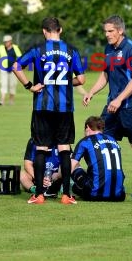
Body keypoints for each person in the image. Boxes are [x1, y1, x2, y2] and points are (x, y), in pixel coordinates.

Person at [13, 17, 86, 205]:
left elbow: (16, 66)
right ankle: (67, 195)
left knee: (41, 147)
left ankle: (39, 195)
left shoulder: (38, 50)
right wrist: (66, 82)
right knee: (64, 147)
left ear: (44, 31)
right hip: (65, 107)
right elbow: (82, 79)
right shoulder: (71, 50)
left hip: (42, 106)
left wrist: (30, 85)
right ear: (60, 30)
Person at [82, 15, 132, 196]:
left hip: (130, 105)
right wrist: (91, 92)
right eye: (105, 31)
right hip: (112, 106)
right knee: (100, 140)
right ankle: (100, 183)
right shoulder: (108, 49)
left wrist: (119, 99)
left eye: (110, 31)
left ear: (120, 30)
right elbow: (105, 75)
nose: (107, 34)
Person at [71, 116, 126, 202]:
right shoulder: (113, 140)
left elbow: (71, 165)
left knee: (76, 169)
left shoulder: (85, 141)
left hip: (93, 194)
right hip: (119, 196)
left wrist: (55, 178)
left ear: (88, 127)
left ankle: (67, 189)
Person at [0, 34, 22, 106]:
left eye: (7, 42)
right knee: (3, 84)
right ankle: (2, 100)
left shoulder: (15, 48)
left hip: (13, 69)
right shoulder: (1, 48)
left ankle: (11, 100)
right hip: (3, 69)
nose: (5, 43)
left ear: (10, 41)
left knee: (12, 85)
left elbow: (20, 57)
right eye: (4, 42)